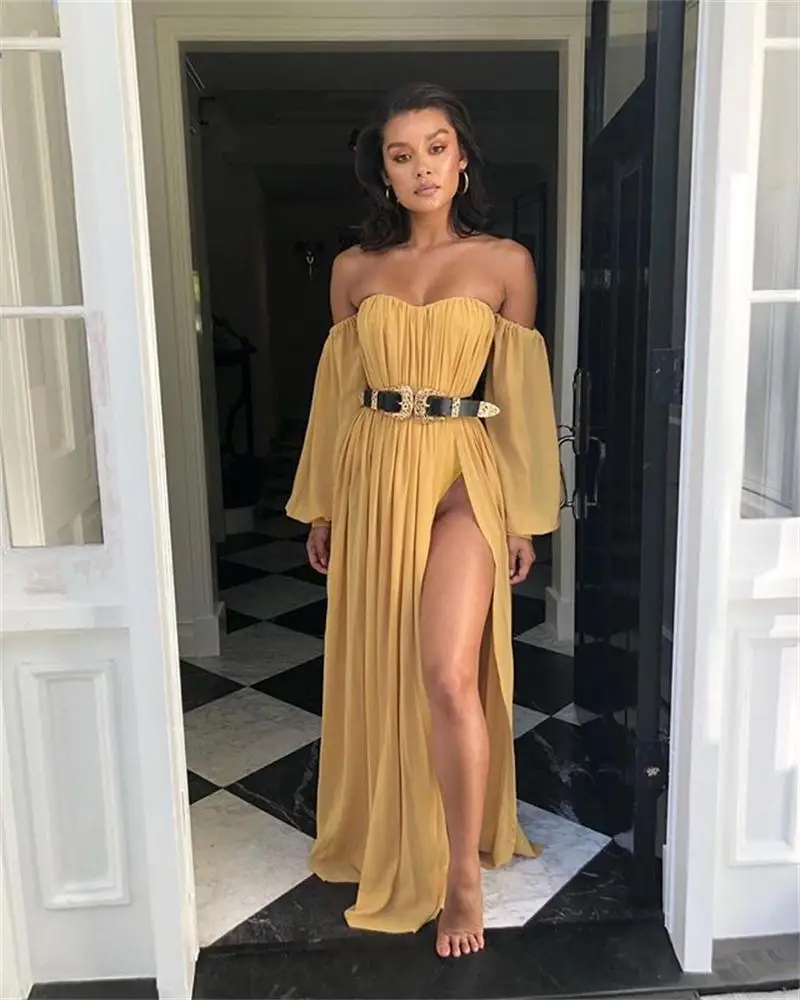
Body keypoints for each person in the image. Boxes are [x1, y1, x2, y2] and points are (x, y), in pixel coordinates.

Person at [287, 82, 560, 959]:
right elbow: (337, 399)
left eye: (436, 148)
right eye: (401, 155)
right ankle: (387, 822)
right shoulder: (354, 271)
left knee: (447, 672)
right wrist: (322, 503)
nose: (422, 168)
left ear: (462, 157)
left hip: (464, 472)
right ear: (384, 172)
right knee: (384, 661)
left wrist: (522, 517)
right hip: (373, 471)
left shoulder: (506, 262)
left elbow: (519, 399)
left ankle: (461, 877)